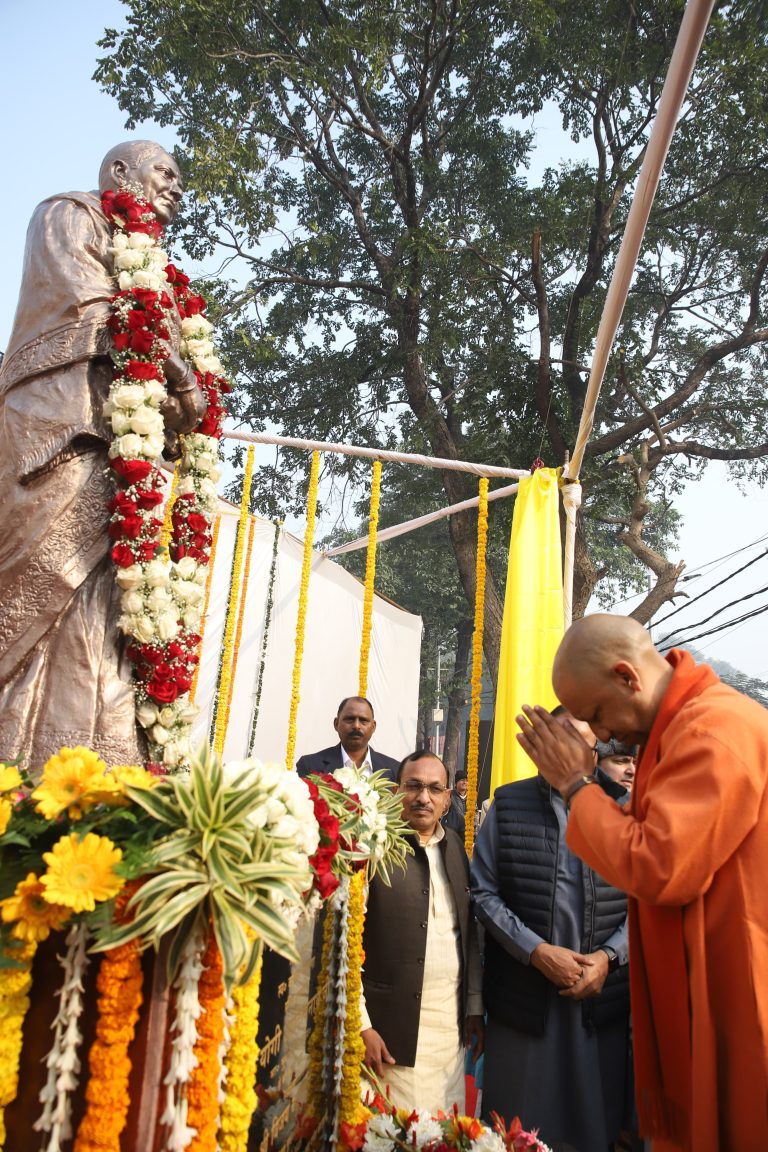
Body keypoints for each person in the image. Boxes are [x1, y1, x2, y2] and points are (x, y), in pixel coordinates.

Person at [515, 613, 768, 1152]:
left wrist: (575, 784)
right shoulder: (676, 730)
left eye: (598, 715)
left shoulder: (714, 728)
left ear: (629, 677)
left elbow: (660, 866)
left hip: (739, 989)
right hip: (708, 983)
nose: (603, 736)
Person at [0, 141, 205, 774]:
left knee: (111, 615)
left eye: (178, 180)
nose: (175, 188)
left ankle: (102, 771)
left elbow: (167, 371)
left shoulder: (162, 274)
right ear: (119, 172)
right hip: (56, 440)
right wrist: (179, 375)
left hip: (122, 463)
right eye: (163, 173)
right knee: (45, 594)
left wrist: (181, 396)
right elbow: (97, 312)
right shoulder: (67, 214)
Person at [471, 707, 631, 1151]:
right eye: (554, 734)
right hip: (526, 995)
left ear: (596, 744)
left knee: (595, 1126)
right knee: (517, 1130)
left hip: (602, 997)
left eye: (576, 737)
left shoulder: (628, 807)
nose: (562, 745)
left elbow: (647, 902)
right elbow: (483, 893)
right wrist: (537, 951)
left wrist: (609, 957)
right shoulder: (507, 803)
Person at [360, 750, 484, 1114]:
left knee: (443, 1127)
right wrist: (362, 1027)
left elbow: (469, 936)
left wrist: (474, 1008)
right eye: (413, 786)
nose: (423, 797)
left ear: (448, 798)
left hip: (447, 1031)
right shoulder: (371, 849)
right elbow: (345, 944)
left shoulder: (456, 850)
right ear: (396, 791)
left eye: (434, 789)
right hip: (387, 1033)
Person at [296, 696, 399, 780]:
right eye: (350, 719)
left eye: (363, 720)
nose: (356, 726)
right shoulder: (310, 765)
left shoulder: (395, 770)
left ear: (373, 726)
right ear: (336, 724)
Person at [442, 768, 468, 836]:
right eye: (462, 780)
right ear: (456, 783)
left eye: (466, 780)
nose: (465, 782)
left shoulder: (472, 796)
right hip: (453, 831)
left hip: (468, 831)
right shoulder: (450, 795)